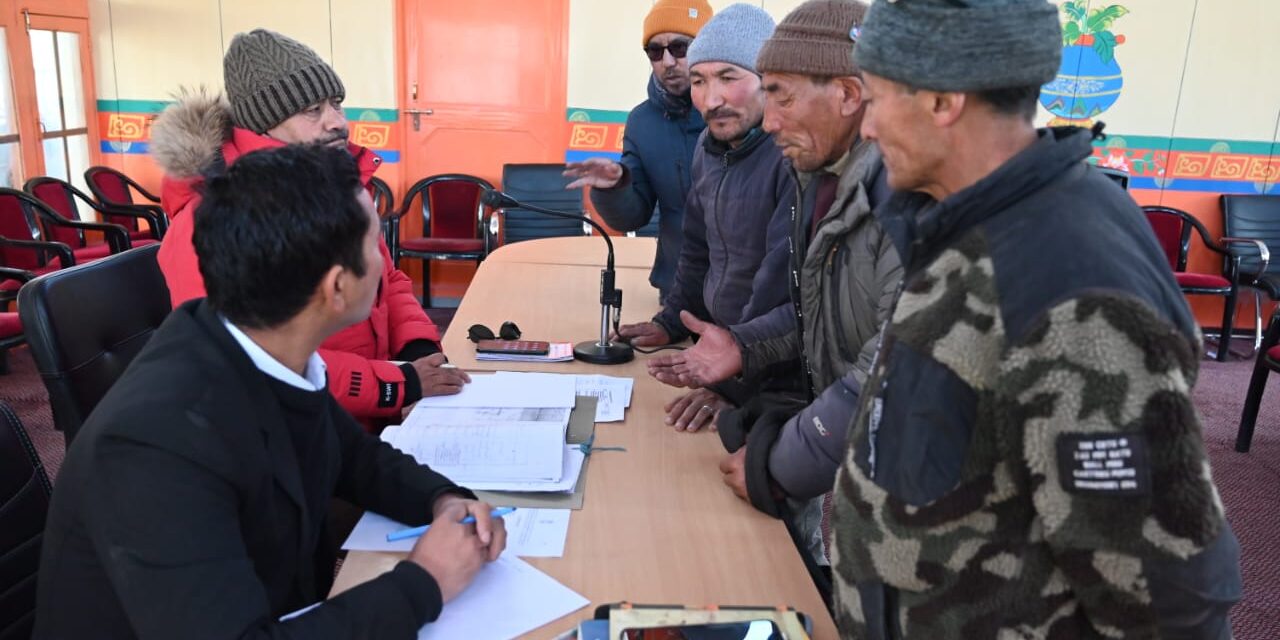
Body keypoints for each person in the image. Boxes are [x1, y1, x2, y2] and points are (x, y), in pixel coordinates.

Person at [828, 1, 1242, 638]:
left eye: (877, 99)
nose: (867, 129)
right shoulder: (967, 222)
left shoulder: (1070, 284)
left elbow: (1164, 593)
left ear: (943, 100)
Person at [33, 145, 506, 638]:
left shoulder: (257, 345)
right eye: (375, 244)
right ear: (337, 287)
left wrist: (441, 499)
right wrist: (425, 583)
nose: (384, 261)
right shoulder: (156, 446)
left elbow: (354, 457)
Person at [647, 0, 900, 562]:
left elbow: (889, 370)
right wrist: (739, 345)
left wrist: (780, 461)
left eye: (779, 93)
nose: (772, 117)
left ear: (848, 94)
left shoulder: (904, 199)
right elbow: (819, 320)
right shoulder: (823, 175)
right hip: (839, 454)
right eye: (699, 82)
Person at [151, 29, 467, 431]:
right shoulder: (209, 219)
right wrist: (395, 384)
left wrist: (416, 347)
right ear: (262, 126)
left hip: (374, 418)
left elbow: (387, 279)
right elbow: (250, 359)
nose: (337, 123)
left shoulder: (337, 182)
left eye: (336, 103)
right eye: (312, 110)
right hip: (298, 437)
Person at [620, 3, 799, 432]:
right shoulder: (708, 147)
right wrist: (671, 320)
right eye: (699, 80)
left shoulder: (790, 158)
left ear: (767, 83)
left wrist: (732, 381)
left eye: (729, 77)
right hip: (726, 352)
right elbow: (696, 250)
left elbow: (783, 296)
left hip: (775, 376)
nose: (711, 98)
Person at [563, 0, 712, 298]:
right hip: (677, 292)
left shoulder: (738, 114)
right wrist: (615, 187)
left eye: (680, 48)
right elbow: (632, 217)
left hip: (745, 301)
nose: (667, 62)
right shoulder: (641, 122)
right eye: (655, 51)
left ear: (706, 47)